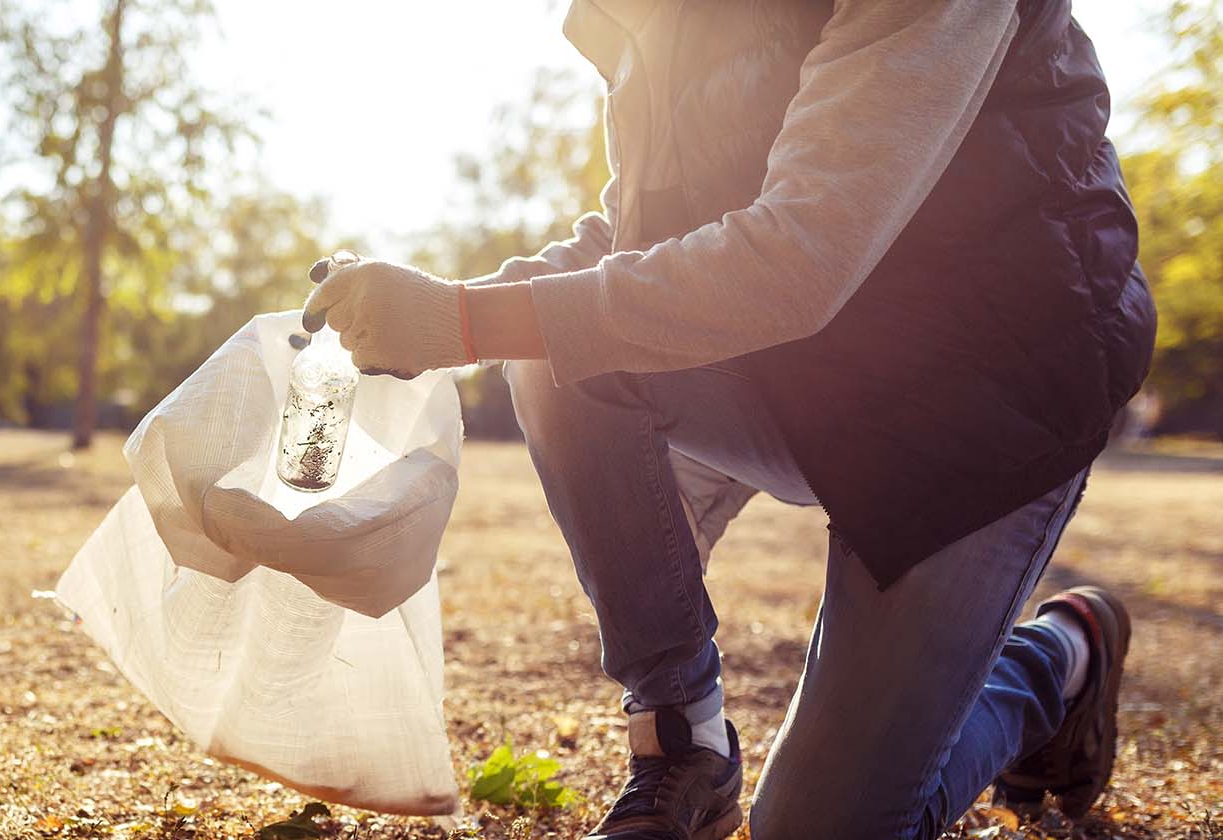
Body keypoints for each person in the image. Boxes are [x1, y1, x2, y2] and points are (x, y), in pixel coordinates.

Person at [298, 2, 1155, 838]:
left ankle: (1057, 661)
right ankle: (684, 743)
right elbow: (636, 236)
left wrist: (466, 322)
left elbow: (799, 258)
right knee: (557, 352)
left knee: (822, 830)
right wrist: (439, 309)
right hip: (815, 369)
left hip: (990, 400)